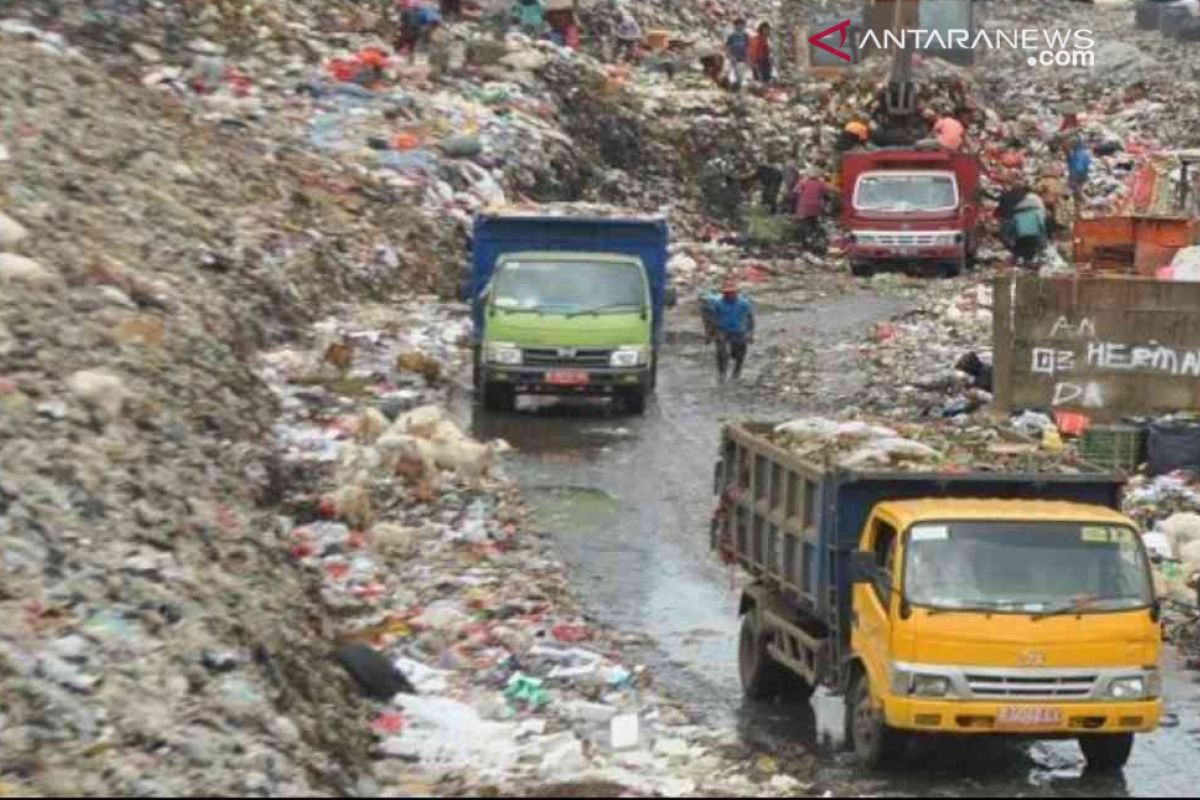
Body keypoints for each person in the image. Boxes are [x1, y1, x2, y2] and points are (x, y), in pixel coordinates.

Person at [705, 280, 755, 382]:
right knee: (721, 352)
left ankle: (737, 371)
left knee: (739, 354)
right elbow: (711, 319)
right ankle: (722, 373)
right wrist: (709, 334)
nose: (730, 295)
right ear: (724, 293)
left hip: (738, 331)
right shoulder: (717, 303)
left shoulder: (743, 303)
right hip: (722, 330)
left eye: (732, 292)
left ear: (736, 292)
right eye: (727, 293)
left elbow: (750, 318)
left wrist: (750, 333)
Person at [793, 169, 830, 250]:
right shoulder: (820, 184)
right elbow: (826, 193)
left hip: (804, 206)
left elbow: (796, 191)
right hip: (815, 207)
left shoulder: (803, 182)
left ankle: (806, 241)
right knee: (813, 223)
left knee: (804, 224)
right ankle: (813, 240)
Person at [1011, 192, 1048, 269]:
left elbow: (1013, 225)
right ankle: (1029, 263)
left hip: (1021, 235)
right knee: (1031, 249)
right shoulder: (1036, 212)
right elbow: (1041, 224)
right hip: (1034, 234)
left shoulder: (1017, 214)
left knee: (1023, 248)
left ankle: (1024, 262)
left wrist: (1014, 235)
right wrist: (1043, 233)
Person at [1066, 137, 1092, 210]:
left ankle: (1086, 202)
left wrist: (1073, 178)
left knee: (1076, 189)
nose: (1070, 146)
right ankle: (1082, 202)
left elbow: (1078, 168)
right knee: (1078, 188)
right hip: (1083, 174)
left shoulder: (1078, 154)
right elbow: (1089, 162)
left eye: (1071, 144)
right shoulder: (1084, 152)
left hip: (1078, 175)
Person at [725, 18, 751, 89]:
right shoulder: (731, 36)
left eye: (741, 24)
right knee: (733, 77)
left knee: (742, 77)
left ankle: (740, 92)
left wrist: (748, 58)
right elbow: (727, 47)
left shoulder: (746, 36)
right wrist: (730, 57)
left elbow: (748, 47)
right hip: (734, 59)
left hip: (743, 59)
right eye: (738, 24)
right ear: (735, 26)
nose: (740, 26)